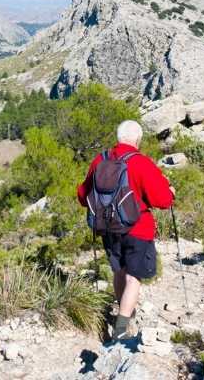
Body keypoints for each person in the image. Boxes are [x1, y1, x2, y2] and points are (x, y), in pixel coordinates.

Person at [77, 119, 175, 340]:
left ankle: (124, 314)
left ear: (118, 137)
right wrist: (171, 193)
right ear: (138, 140)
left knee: (119, 272)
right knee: (133, 278)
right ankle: (121, 330)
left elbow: (83, 196)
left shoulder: (100, 160)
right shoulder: (141, 162)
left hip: (108, 228)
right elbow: (162, 200)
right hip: (137, 229)